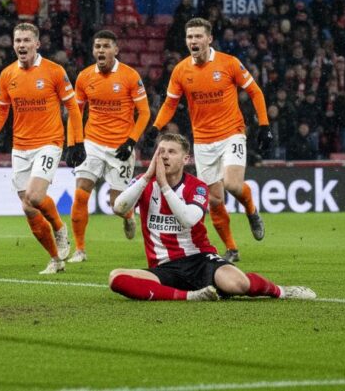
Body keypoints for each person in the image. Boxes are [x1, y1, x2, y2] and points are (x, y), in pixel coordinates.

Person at [109, 133, 315, 302]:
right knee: (116, 278)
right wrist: (147, 177)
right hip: (163, 267)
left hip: (199, 260)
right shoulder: (144, 183)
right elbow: (119, 208)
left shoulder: (196, 186)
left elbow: (189, 219)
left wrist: (164, 185)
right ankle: (190, 296)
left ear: (185, 159)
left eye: (171, 152)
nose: (164, 157)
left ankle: (282, 291)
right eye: (161, 152)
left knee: (237, 284)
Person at [151, 18, 270, 262]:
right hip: (203, 141)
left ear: (209, 39)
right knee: (214, 200)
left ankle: (251, 210)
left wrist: (264, 125)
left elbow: (255, 91)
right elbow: (170, 103)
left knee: (233, 185)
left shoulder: (229, 63)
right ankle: (232, 249)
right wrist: (156, 127)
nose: (193, 41)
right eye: (189, 37)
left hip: (231, 133)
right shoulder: (181, 70)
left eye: (197, 36)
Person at [0, 22, 85, 275]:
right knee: (28, 207)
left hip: (49, 143)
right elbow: (1, 110)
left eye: (27, 40)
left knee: (36, 196)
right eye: (18, 41)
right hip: (20, 147)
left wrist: (77, 142)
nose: (21, 45)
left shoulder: (54, 71)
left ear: (37, 44)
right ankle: (55, 259)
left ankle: (60, 229)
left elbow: (72, 107)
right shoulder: (7, 75)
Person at [68, 30, 151, 262]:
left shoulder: (130, 76)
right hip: (92, 143)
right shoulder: (84, 77)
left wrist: (131, 141)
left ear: (116, 50)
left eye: (106, 46)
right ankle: (80, 249)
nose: (101, 50)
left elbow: (144, 113)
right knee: (80, 195)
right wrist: (73, 143)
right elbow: (76, 113)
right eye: (97, 46)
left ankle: (127, 217)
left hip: (120, 147)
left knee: (118, 206)